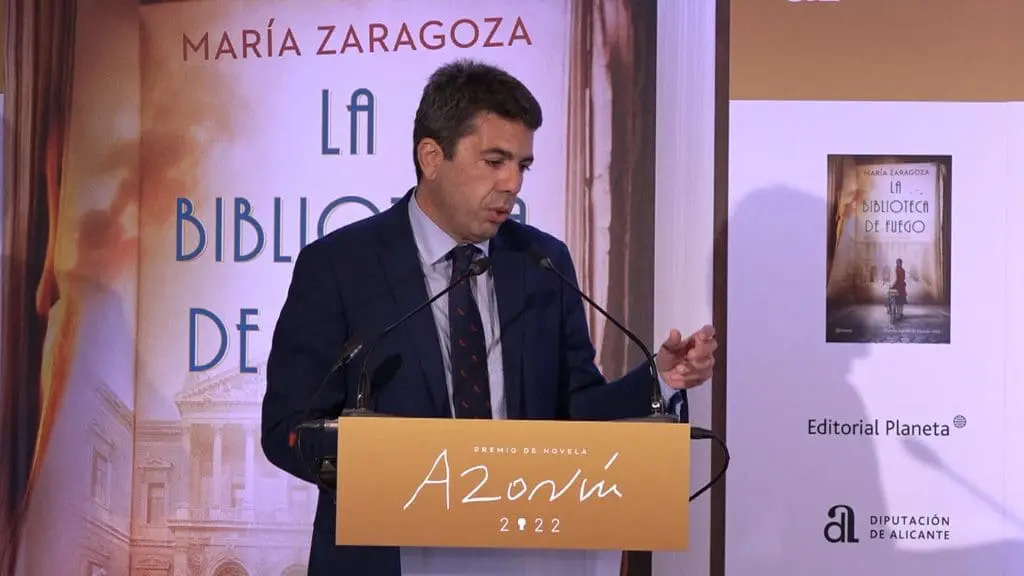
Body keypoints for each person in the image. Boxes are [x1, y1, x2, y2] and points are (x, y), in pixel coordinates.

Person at [260, 59, 717, 576]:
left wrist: (659, 379)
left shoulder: (542, 263)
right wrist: (383, 464)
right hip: (385, 558)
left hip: (526, 556)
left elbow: (577, 409)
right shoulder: (340, 266)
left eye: (523, 166)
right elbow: (287, 428)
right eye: (495, 161)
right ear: (432, 157)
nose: (512, 183)